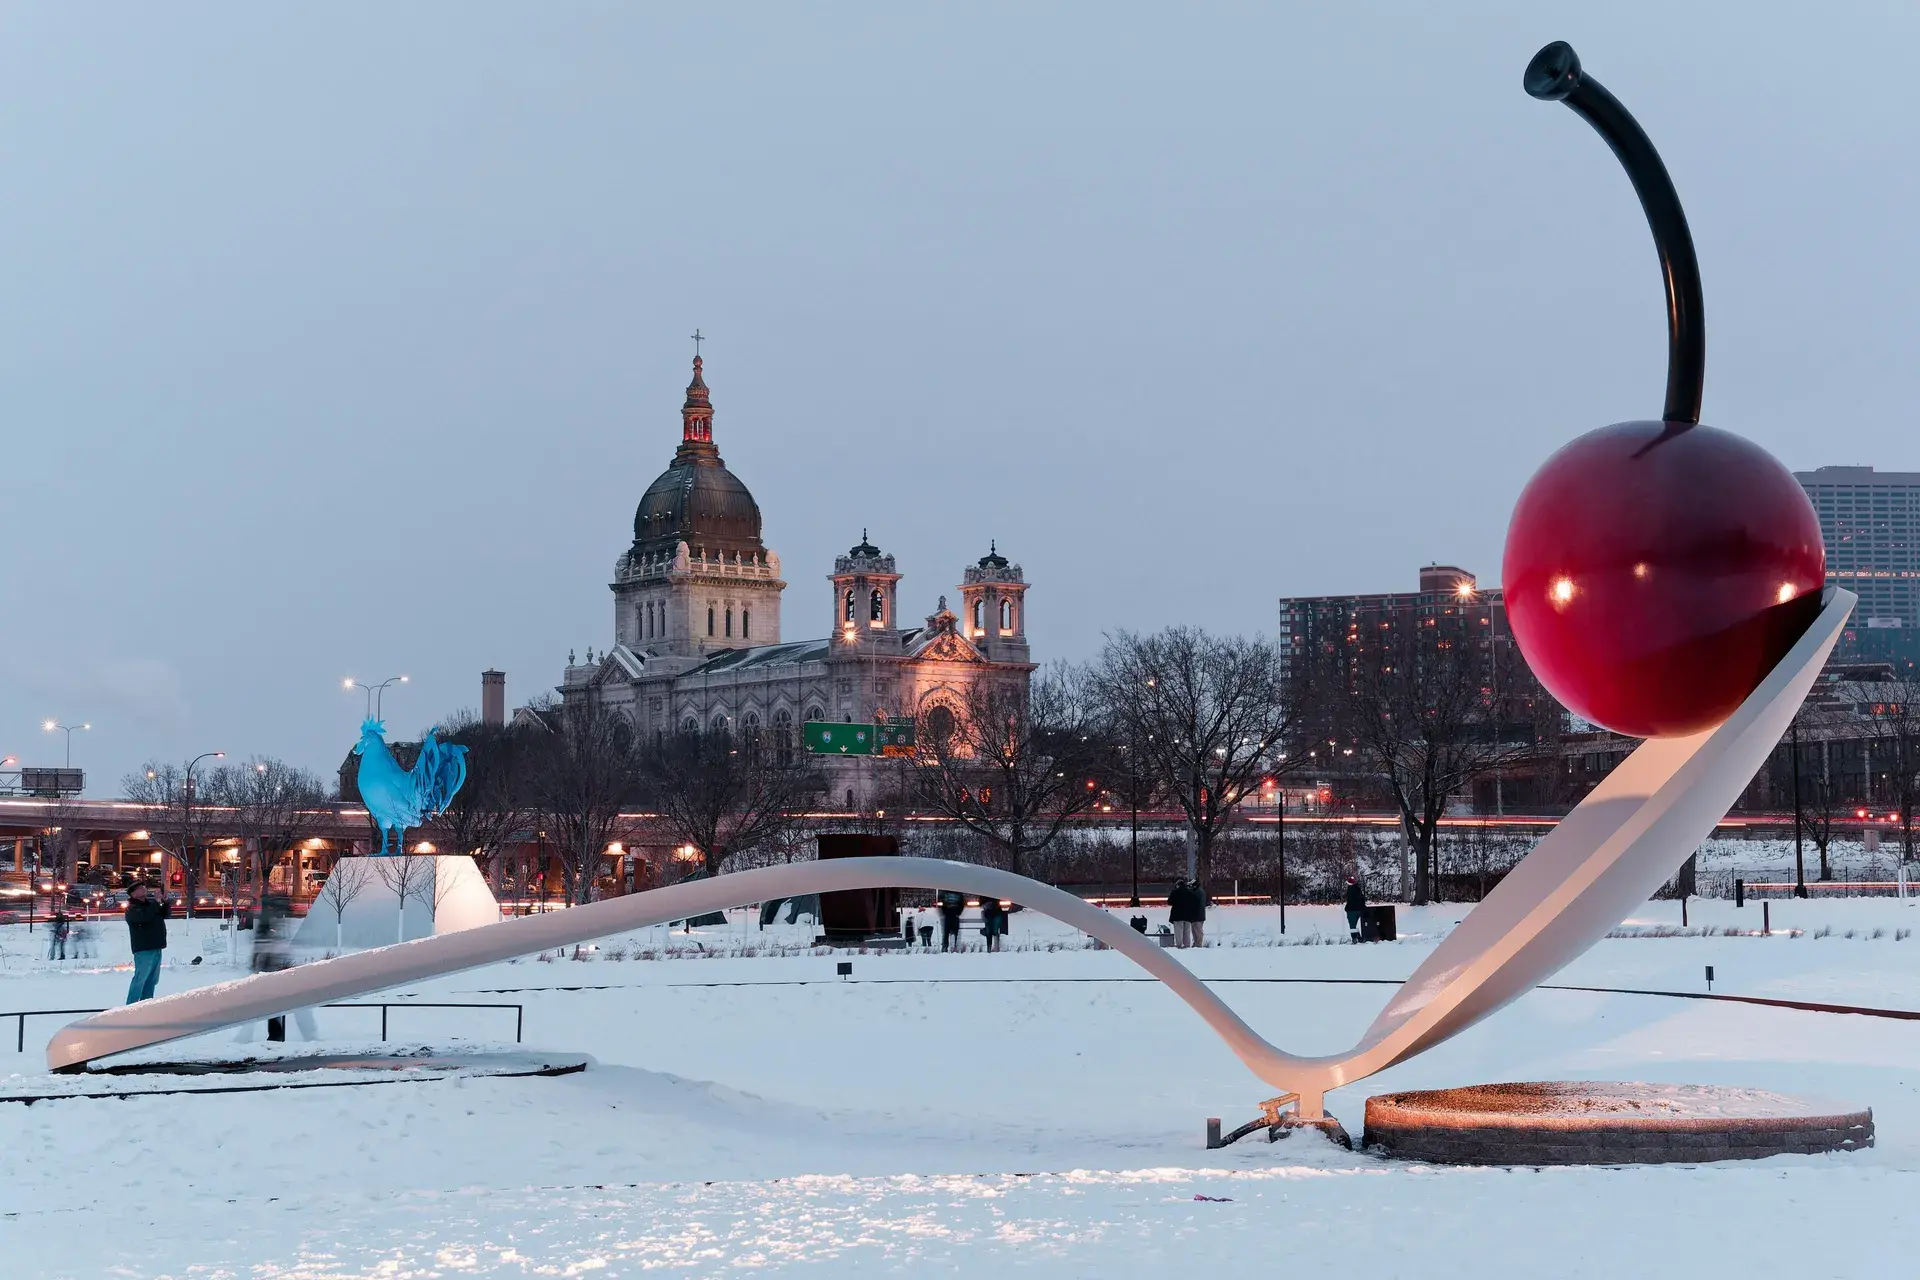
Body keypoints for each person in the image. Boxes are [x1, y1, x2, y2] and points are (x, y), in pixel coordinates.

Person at [124, 882, 169, 1003]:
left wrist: (163, 902)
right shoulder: (132, 908)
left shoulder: (150, 905)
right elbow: (144, 918)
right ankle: (130, 1006)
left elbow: (166, 914)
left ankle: (146, 1004)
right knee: (140, 979)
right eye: (139, 888)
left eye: (144, 887)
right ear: (133, 894)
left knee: (152, 980)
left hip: (156, 946)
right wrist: (155, 903)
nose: (143, 889)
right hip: (144, 948)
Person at [1168, 879, 1195, 949]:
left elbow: (1169, 902)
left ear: (1177, 885)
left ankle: (1179, 945)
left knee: (1178, 931)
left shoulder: (1175, 892)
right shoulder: (1190, 892)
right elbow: (1193, 902)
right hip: (1188, 915)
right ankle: (1187, 945)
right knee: (1187, 931)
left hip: (1178, 915)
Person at [1344, 875, 1366, 943]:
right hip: (1359, 909)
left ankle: (1355, 939)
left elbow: (1350, 901)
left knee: (1352, 926)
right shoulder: (1358, 889)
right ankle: (1359, 938)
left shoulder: (1350, 890)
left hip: (1352, 910)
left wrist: (1346, 908)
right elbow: (1362, 899)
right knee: (1354, 925)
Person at [1189, 879, 1208, 949]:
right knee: (1195, 931)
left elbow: (1192, 899)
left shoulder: (1198, 892)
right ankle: (1196, 943)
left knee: (1198, 931)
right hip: (1196, 915)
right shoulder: (1199, 891)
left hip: (1198, 915)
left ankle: (1199, 944)